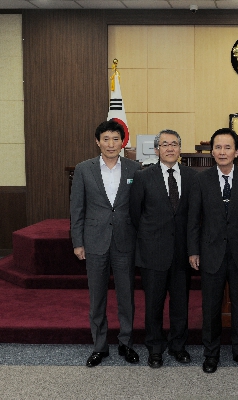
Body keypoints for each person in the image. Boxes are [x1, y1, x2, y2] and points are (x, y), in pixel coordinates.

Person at [187, 128, 238, 374]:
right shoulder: (201, 179)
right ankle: (211, 354)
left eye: (227, 147)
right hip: (211, 253)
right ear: (212, 152)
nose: (222, 152)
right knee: (210, 307)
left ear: (237, 152)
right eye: (217, 147)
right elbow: (194, 219)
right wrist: (193, 250)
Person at [70, 119, 142, 367]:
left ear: (123, 142)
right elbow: (77, 208)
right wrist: (78, 242)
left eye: (116, 139)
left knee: (126, 297)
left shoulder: (135, 168)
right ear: (97, 142)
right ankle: (99, 346)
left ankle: (126, 343)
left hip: (125, 242)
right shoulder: (83, 169)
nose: (111, 144)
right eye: (106, 139)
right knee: (97, 298)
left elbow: (140, 208)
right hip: (94, 241)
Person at [129, 129, 197, 368]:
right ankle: (155, 349)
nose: (170, 148)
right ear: (157, 149)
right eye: (165, 144)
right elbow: (136, 215)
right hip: (152, 252)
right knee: (153, 305)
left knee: (180, 305)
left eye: (175, 144)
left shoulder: (192, 176)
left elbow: (195, 216)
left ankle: (178, 347)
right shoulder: (143, 177)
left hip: (182, 253)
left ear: (180, 149)